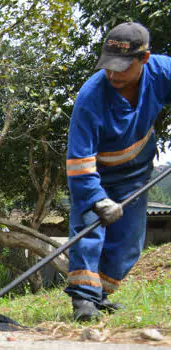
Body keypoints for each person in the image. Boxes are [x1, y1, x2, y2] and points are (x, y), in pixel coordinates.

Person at [65, 22, 171, 321]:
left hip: (136, 171)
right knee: (88, 231)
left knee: (128, 242)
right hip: (94, 174)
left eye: (122, 68)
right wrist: (97, 199)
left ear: (144, 59)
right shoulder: (91, 97)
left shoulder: (163, 72)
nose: (112, 74)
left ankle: (100, 296)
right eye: (108, 66)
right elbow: (78, 158)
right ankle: (83, 301)